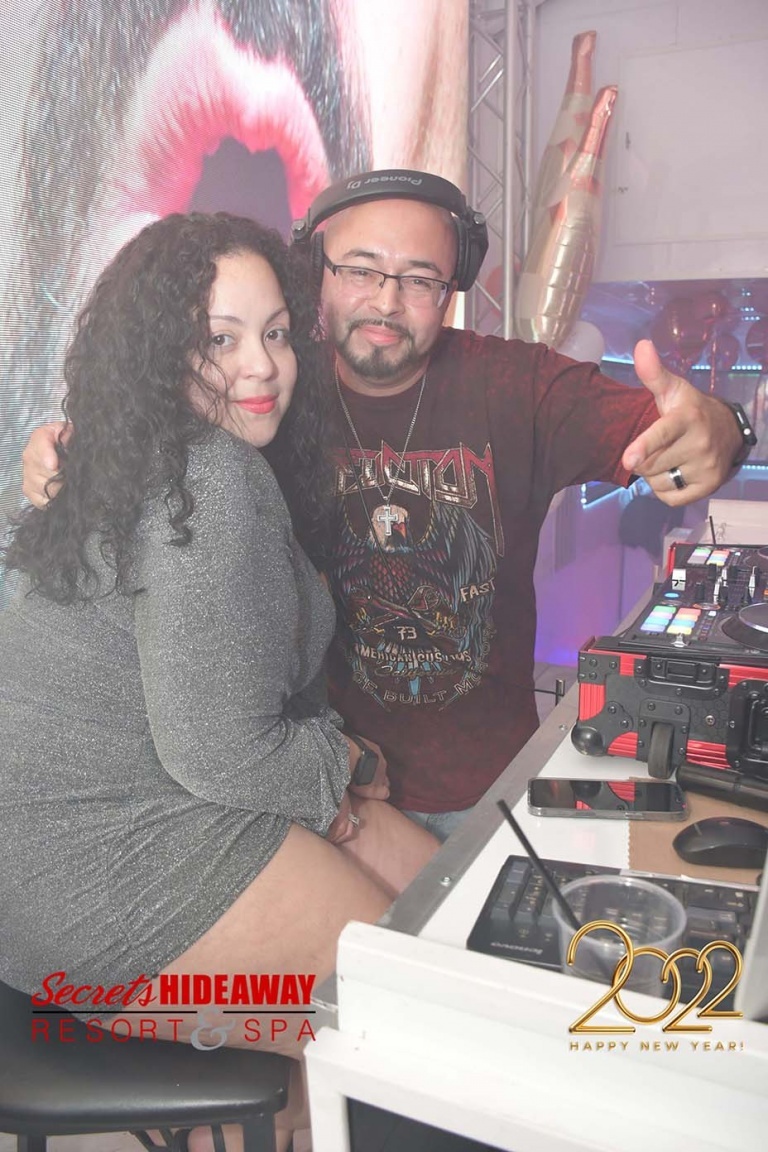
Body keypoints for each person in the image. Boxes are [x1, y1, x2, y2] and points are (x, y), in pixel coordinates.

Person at [21, 170, 752, 842]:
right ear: (316, 271)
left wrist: (724, 430)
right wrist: (66, 447)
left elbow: (671, 429)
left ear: (451, 289)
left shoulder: (517, 385)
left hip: (484, 786)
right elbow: (155, 428)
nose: (386, 301)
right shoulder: (266, 389)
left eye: (421, 279)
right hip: (322, 780)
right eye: (360, 269)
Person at [1, 211, 439, 1152]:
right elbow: (223, 752)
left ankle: (249, 1124)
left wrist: (341, 782)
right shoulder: (208, 477)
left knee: (445, 899)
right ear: (161, 354)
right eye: (220, 339)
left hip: (49, 866)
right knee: (428, 1016)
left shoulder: (124, 458)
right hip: (106, 877)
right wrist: (349, 768)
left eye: (276, 333)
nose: (262, 367)